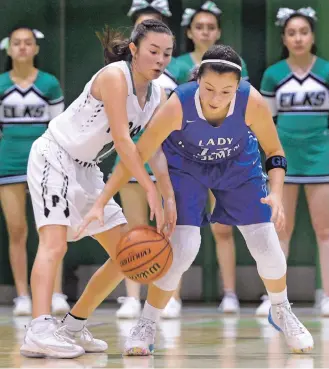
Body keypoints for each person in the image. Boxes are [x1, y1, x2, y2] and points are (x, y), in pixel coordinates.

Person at [74, 44, 314, 356]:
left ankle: (281, 310)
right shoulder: (178, 105)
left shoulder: (250, 101)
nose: (216, 98)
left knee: (266, 243)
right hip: (187, 168)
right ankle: (147, 322)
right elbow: (137, 155)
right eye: (210, 88)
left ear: (238, 86)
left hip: (238, 167)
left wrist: (277, 193)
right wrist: (104, 200)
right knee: (183, 248)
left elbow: (276, 152)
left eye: (226, 91)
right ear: (197, 79)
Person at [20, 19, 174, 359]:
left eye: (166, 53)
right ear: (134, 50)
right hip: (55, 155)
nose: (160, 59)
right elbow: (122, 139)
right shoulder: (114, 76)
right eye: (153, 51)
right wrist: (148, 189)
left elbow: (156, 150)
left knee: (126, 256)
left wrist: (167, 196)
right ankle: (38, 328)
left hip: (88, 170)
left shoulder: (158, 94)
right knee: (54, 243)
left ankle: (72, 326)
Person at [165, 0, 250, 318]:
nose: (205, 31)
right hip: (184, 156)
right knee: (181, 227)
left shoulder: (235, 66)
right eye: (199, 27)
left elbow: (245, 111)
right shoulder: (174, 67)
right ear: (189, 32)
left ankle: (229, 294)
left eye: (210, 27)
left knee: (223, 226)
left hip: (223, 153)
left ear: (218, 32)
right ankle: (172, 296)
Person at [260, 7, 329, 317]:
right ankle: (275, 300)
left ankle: (327, 296)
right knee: (279, 229)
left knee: (325, 230)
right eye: (292, 33)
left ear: (312, 36)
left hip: (321, 158)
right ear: (284, 38)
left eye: (303, 32)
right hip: (284, 159)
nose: (298, 38)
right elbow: (266, 123)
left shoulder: (326, 71)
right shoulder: (273, 74)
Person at [0, 26, 69, 316]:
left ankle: (56, 293)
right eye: (17, 43)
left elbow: (59, 128)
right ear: (9, 49)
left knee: (52, 229)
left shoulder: (49, 83)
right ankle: (23, 296)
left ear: (36, 48)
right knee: (17, 230)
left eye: (28, 43)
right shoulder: (1, 84)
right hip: (9, 163)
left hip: (44, 160)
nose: (23, 48)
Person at [115, 0, 178, 320]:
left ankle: (171, 294)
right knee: (133, 228)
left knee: (170, 227)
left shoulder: (174, 73)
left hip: (166, 159)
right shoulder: (120, 74)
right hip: (130, 157)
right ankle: (131, 296)